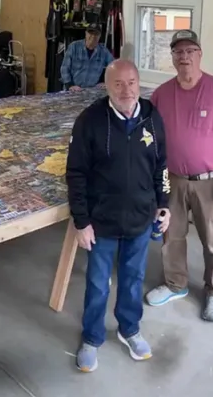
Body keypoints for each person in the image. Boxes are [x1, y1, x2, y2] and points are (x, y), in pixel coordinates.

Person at [65, 59, 171, 372]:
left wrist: (164, 204)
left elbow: (161, 165)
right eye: (118, 84)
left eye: (132, 83)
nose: (126, 90)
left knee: (133, 279)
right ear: (107, 86)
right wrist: (81, 221)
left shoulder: (152, 118)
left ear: (139, 83)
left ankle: (130, 330)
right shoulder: (90, 120)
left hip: (140, 219)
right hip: (102, 223)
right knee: (98, 284)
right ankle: (92, 338)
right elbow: (76, 173)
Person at [144, 30, 213, 322]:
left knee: (212, 241)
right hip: (171, 179)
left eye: (190, 51)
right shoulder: (162, 94)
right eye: (178, 52)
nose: (184, 57)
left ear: (200, 55)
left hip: (210, 181)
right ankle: (175, 284)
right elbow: (152, 138)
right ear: (172, 58)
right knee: (171, 235)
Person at [60, 26, 115, 91]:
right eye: (90, 33)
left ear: (99, 36)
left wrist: (106, 82)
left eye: (96, 34)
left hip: (92, 91)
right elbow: (64, 67)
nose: (93, 36)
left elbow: (114, 67)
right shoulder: (74, 46)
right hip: (72, 89)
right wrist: (70, 85)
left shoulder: (104, 51)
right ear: (86, 33)